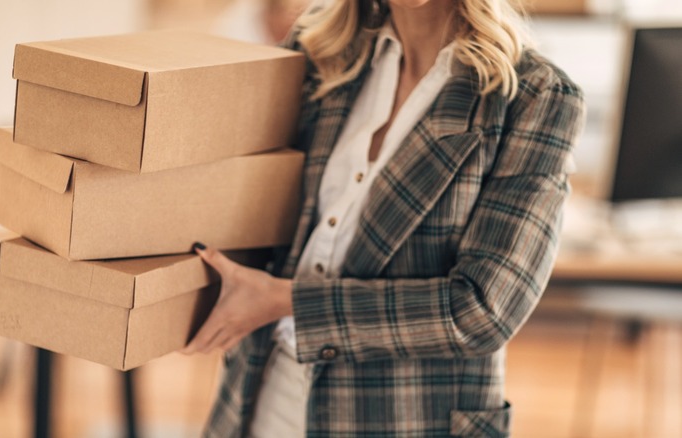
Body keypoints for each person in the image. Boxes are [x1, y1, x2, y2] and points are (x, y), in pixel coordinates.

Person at [182, 0, 585, 436]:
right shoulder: (321, 52)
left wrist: (286, 300)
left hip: (406, 417)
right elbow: (257, 215)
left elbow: (482, 312)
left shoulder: (533, 96)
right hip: (265, 393)